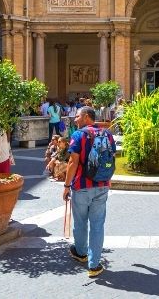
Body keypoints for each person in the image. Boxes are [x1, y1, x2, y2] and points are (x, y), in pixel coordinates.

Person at [62, 106, 116, 278]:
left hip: (82, 186)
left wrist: (66, 185)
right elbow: (111, 158)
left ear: (86, 117)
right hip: (102, 185)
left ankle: (81, 252)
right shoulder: (107, 134)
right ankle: (94, 265)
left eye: (77, 116)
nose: (75, 119)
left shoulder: (79, 135)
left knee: (80, 222)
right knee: (97, 225)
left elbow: (73, 162)